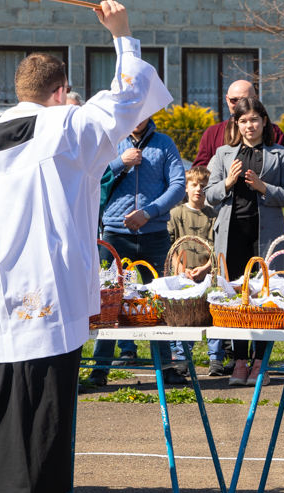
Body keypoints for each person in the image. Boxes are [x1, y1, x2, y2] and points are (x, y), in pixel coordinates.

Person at [0, 0, 172, 493]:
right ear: (60, 91)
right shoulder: (67, 125)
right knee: (44, 398)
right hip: (45, 281)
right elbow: (130, 97)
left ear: (19, 89)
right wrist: (122, 32)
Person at [204, 97, 284, 387]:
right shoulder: (223, 154)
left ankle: (261, 363)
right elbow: (209, 195)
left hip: (266, 237)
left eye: (255, 119)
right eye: (243, 120)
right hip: (233, 237)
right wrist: (228, 183)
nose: (249, 125)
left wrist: (263, 187)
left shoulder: (279, 154)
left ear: (264, 122)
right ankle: (240, 362)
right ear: (236, 123)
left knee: (267, 298)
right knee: (236, 300)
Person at [88, 115, 187, 387]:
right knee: (107, 301)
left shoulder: (165, 144)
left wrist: (148, 212)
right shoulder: (110, 143)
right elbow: (91, 177)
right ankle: (100, 368)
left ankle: (165, 365)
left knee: (160, 299)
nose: (135, 119)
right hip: (115, 234)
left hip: (154, 233)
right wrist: (121, 163)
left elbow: (178, 186)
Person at [166, 165, 229, 377]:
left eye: (203, 186)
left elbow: (217, 246)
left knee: (213, 313)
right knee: (184, 316)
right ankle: (182, 357)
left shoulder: (213, 215)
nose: (198, 190)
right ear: (185, 188)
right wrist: (181, 269)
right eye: (194, 185)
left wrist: (204, 269)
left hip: (207, 274)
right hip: (182, 274)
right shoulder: (175, 214)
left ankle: (216, 358)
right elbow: (171, 244)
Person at [193, 80, 284, 167]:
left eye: (244, 100)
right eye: (234, 100)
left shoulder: (274, 132)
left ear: (255, 99)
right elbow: (200, 172)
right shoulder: (213, 133)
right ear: (227, 100)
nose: (239, 105)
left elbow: (282, 172)